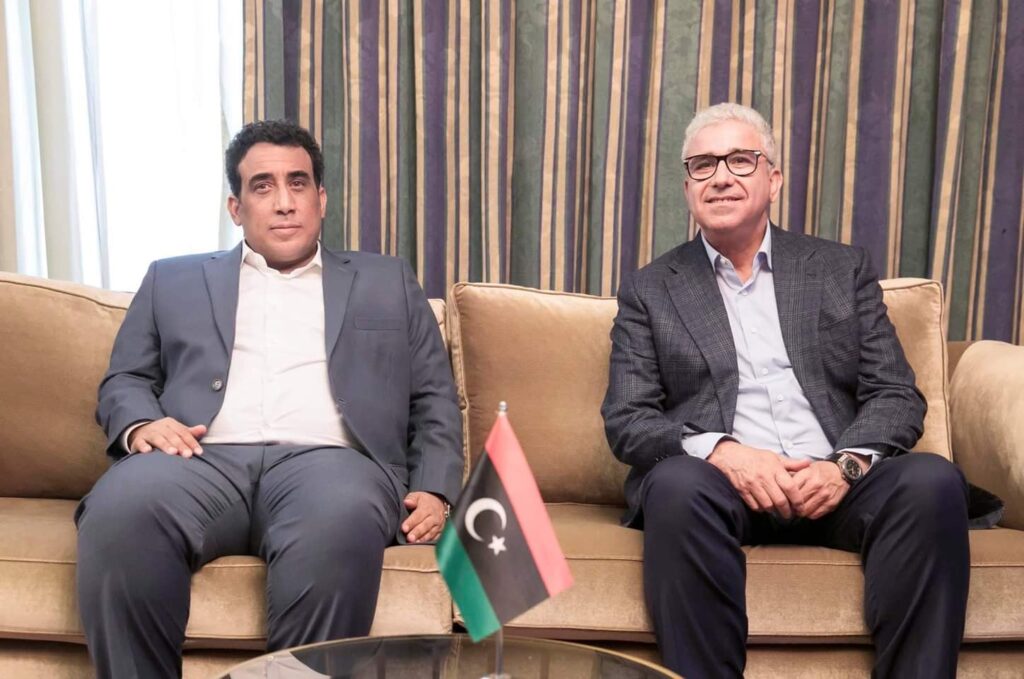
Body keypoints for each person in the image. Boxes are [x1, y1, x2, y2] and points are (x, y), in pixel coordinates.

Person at [76, 120, 464, 678]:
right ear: (236, 208)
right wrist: (142, 425)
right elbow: (125, 379)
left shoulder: (387, 280)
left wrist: (434, 488)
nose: (284, 202)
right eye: (263, 186)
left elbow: (433, 397)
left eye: (297, 183)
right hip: (198, 459)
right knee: (121, 509)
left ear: (321, 199)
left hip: (332, 464)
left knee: (340, 518)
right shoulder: (171, 279)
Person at [601, 103, 969, 678]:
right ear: (688, 187)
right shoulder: (650, 290)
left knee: (932, 480)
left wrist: (843, 467)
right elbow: (629, 418)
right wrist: (726, 454)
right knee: (675, 484)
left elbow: (896, 394)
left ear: (772, 179)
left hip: (835, 480)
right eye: (702, 165)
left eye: (740, 160)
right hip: (724, 489)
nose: (720, 177)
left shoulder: (839, 268)